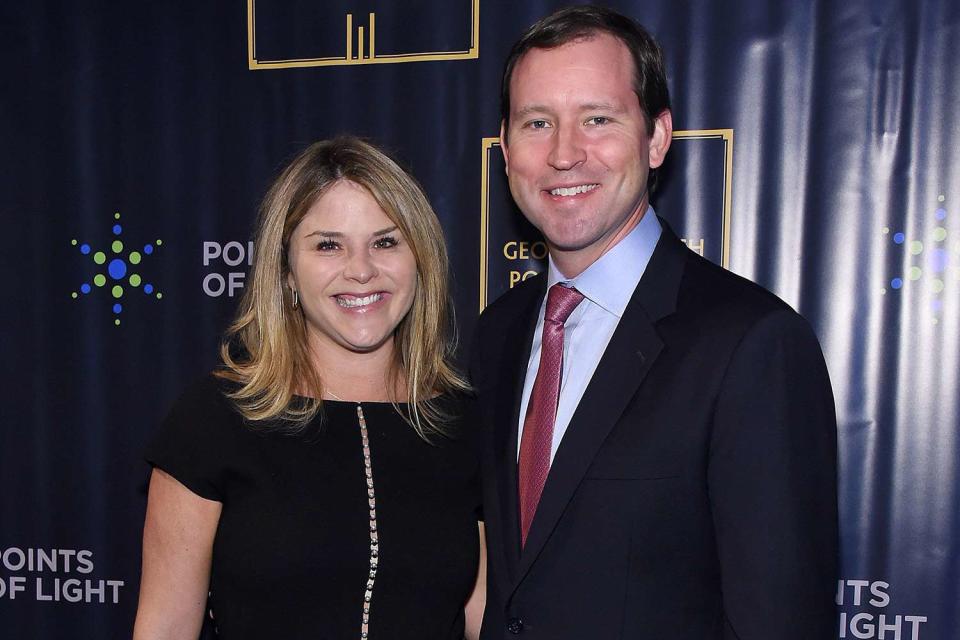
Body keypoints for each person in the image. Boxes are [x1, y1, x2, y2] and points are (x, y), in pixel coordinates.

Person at [470, 6, 838, 639]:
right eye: (537, 122)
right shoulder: (493, 335)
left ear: (657, 137)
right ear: (506, 149)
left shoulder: (750, 345)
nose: (564, 153)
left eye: (598, 119)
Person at [133, 136, 485, 639]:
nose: (361, 270)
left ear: (420, 261)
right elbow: (164, 629)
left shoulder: (465, 424)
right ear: (287, 274)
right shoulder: (213, 421)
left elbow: (483, 618)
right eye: (328, 245)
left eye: (385, 241)